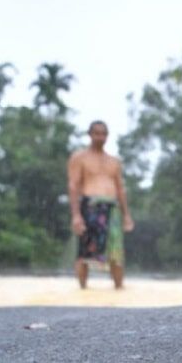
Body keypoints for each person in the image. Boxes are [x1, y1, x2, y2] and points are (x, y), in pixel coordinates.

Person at [67, 120, 134, 289]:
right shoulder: (79, 157)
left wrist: (126, 215)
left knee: (116, 253)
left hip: (113, 209)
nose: (100, 137)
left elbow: (121, 189)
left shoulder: (114, 161)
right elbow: (73, 185)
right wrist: (76, 215)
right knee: (85, 252)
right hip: (90, 207)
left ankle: (119, 291)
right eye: (97, 133)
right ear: (89, 134)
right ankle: (82, 290)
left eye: (104, 134)